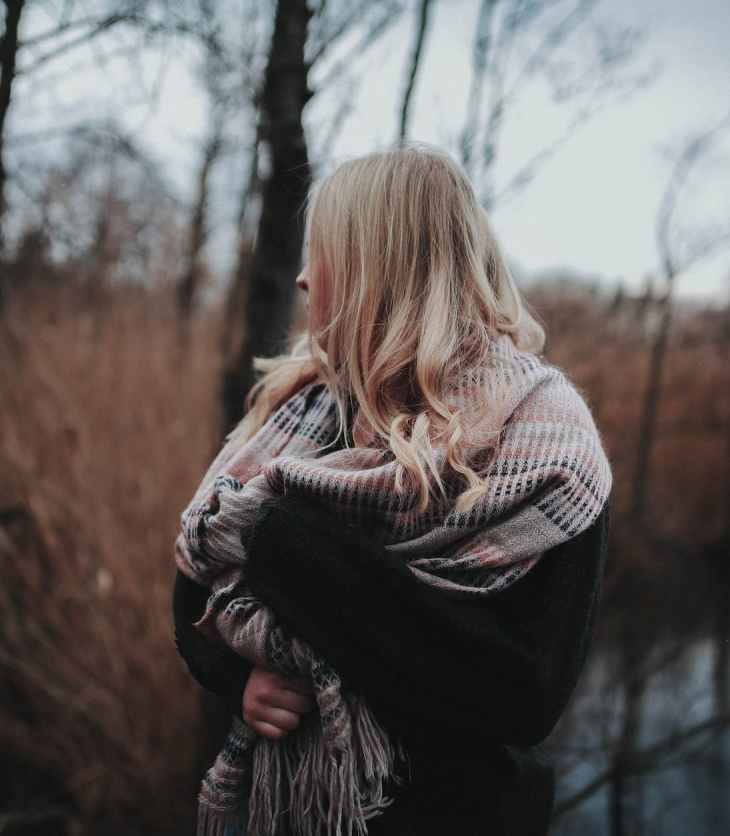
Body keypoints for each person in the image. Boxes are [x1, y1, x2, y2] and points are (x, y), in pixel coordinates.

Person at [172, 142, 612, 836]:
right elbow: (198, 585)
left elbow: (524, 696)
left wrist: (282, 539)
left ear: (382, 269)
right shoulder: (306, 406)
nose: (302, 280)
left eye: (324, 254)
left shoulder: (543, 441)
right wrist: (241, 677)